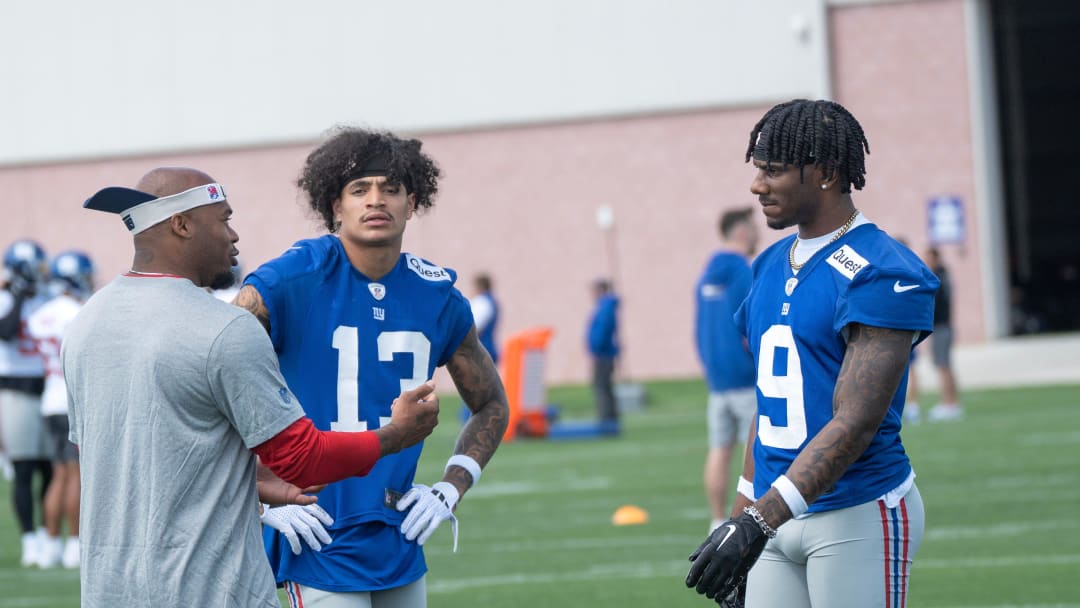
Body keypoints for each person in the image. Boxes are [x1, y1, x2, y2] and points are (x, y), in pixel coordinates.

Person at [65, 167, 442, 607]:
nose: (235, 235)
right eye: (223, 219)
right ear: (182, 225)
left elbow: (131, 455)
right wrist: (396, 435)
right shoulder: (222, 327)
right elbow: (304, 459)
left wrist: (253, 481)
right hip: (206, 589)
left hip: (109, 590)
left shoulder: (86, 325)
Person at [232, 127, 510, 607]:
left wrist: (450, 487)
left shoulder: (436, 296)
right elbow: (212, 381)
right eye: (359, 189)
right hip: (314, 532)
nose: (375, 200)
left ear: (412, 201)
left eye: (390, 188)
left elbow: (491, 404)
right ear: (335, 206)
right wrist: (255, 495)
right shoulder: (290, 280)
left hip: (397, 531)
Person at [686, 99, 940, 608]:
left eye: (773, 170)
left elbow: (856, 422)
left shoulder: (882, 268)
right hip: (774, 517)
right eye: (758, 169)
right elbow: (770, 407)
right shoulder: (768, 264)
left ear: (825, 173)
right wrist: (742, 516)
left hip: (856, 510)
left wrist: (757, 520)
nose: (758, 185)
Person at [25, 250, 96, 569]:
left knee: (57, 475)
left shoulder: (41, 313)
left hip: (48, 398)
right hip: (71, 399)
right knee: (77, 476)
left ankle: (50, 544)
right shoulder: (78, 312)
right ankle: (73, 547)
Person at [694, 208, 759, 532]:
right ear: (742, 232)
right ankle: (757, 518)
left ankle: (718, 519)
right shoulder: (743, 271)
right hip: (746, 378)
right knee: (759, 450)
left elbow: (699, 330)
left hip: (717, 381)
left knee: (719, 451)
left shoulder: (705, 277)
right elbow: (754, 322)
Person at [0, 239, 52, 568]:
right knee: (23, 469)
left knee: (52, 471)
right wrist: (17, 294)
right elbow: (5, 332)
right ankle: (29, 538)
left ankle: (47, 535)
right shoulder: (5, 299)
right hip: (14, 390)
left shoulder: (46, 299)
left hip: (46, 389)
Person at [924, 247, 963, 422]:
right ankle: (952, 403)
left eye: (929, 259)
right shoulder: (944, 276)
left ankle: (949, 404)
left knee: (942, 366)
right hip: (944, 327)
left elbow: (934, 304)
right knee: (946, 366)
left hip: (940, 327)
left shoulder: (937, 278)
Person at [586, 278, 620, 425]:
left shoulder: (605, 308)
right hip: (603, 353)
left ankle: (607, 418)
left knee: (601, 386)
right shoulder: (604, 307)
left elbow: (602, 331)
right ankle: (609, 417)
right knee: (604, 386)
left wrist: (596, 348)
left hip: (603, 354)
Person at [469, 273, 500, 364]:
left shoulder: (482, 302)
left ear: (480, 287)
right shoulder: (492, 301)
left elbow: (471, 327)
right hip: (488, 349)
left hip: (480, 352)